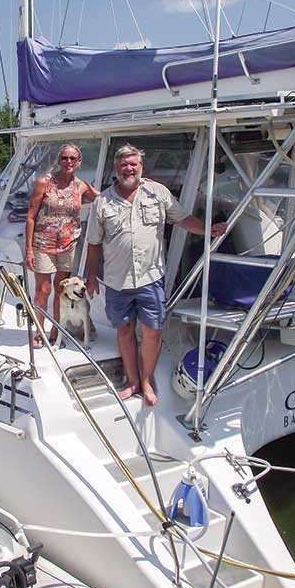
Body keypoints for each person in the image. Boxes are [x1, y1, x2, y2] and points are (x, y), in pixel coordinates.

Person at [86, 144, 226, 405]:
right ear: (116, 168)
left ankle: (147, 380)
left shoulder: (158, 192)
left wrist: (208, 230)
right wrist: (91, 276)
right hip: (117, 280)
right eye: (124, 164)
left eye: (134, 164)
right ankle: (133, 381)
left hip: (151, 278)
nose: (129, 168)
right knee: (125, 330)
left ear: (141, 168)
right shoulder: (101, 202)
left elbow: (182, 219)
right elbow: (93, 243)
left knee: (153, 331)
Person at [25, 143, 99, 346]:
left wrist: (137, 186)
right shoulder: (44, 182)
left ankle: (56, 331)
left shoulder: (80, 185)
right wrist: (29, 249)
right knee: (44, 289)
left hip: (68, 244)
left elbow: (102, 199)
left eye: (73, 158)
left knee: (61, 290)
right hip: (43, 243)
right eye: (65, 158)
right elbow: (31, 216)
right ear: (59, 161)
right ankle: (39, 331)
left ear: (79, 162)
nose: (68, 162)